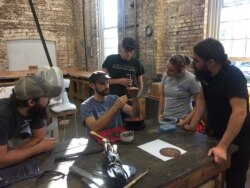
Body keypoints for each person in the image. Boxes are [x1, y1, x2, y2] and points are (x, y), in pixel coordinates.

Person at [184, 38, 250, 188]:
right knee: (212, 176)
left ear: (211, 62)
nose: (194, 63)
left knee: (234, 180)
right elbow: (202, 99)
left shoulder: (233, 76)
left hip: (237, 138)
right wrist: (192, 125)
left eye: (197, 60)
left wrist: (222, 146)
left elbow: (239, 113)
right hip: (215, 133)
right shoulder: (206, 75)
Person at [0, 75, 62, 168]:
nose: (50, 98)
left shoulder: (36, 108)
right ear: (31, 102)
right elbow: (1, 161)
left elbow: (38, 137)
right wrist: (38, 148)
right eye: (47, 96)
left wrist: (13, 154)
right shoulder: (3, 115)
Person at [158, 55, 201, 126]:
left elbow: (199, 105)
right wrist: (159, 114)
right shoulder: (166, 75)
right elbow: (162, 95)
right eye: (167, 68)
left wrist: (185, 122)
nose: (167, 72)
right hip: (167, 118)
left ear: (181, 70)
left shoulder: (192, 80)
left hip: (182, 119)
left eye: (171, 70)